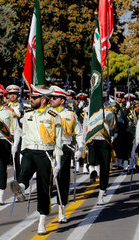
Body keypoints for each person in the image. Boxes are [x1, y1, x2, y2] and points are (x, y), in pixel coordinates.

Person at [9, 85, 63, 235]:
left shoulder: (53, 116)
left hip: (46, 153)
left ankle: (42, 220)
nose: (30, 100)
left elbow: (58, 140)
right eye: (30, 97)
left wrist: (57, 160)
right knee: (25, 170)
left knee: (44, 188)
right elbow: (24, 135)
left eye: (34, 97)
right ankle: (20, 188)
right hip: (29, 151)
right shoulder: (27, 114)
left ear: (43, 99)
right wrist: (21, 152)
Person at [49, 85, 83, 223]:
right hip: (49, 147)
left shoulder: (70, 114)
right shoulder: (46, 113)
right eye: (50, 97)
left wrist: (80, 149)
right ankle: (44, 212)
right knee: (47, 178)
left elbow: (79, 132)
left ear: (62, 100)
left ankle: (61, 210)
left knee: (62, 180)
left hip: (65, 148)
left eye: (54, 97)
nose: (51, 99)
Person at [83, 98, 116, 205]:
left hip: (104, 140)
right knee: (91, 159)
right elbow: (85, 127)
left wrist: (101, 111)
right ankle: (92, 170)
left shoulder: (107, 112)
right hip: (93, 139)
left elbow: (110, 122)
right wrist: (83, 142)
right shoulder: (87, 112)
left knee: (105, 168)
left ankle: (101, 194)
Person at [6, 84, 23, 178]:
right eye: (10, 94)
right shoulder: (4, 107)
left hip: (19, 135)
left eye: (15, 94)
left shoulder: (23, 107)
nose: (12, 96)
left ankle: (18, 181)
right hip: (7, 135)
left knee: (18, 160)